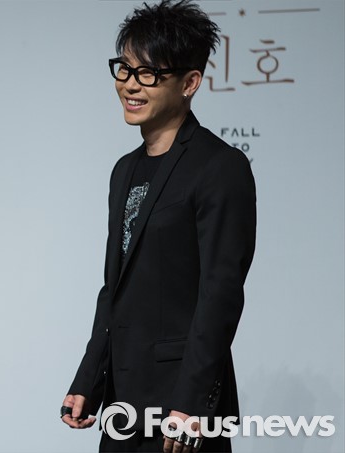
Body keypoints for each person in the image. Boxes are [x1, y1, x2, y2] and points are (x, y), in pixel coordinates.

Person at [60, 1, 257, 452]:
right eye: (125, 69)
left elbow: (221, 293)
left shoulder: (219, 166)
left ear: (190, 83)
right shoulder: (124, 170)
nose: (130, 84)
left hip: (181, 408)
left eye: (148, 73)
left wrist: (190, 404)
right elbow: (115, 289)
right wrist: (89, 378)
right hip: (123, 404)